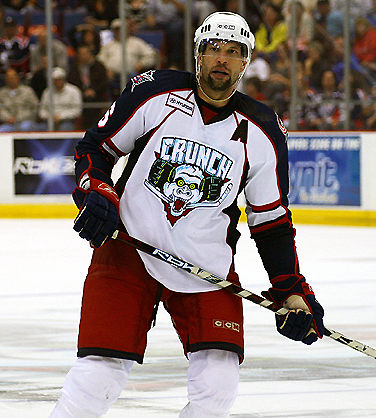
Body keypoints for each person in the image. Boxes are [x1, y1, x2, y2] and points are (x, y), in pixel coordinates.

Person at [48, 12, 325, 418]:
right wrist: (98, 194)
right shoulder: (154, 93)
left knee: (218, 383)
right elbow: (96, 150)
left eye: (234, 52)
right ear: (198, 53)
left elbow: (271, 222)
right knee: (98, 378)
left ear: (245, 62)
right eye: (213, 48)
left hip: (205, 264)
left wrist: (291, 291)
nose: (222, 59)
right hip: (129, 248)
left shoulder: (263, 130)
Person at [97, 17, 156, 99]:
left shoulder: (137, 42)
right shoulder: (108, 46)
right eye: (116, 30)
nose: (119, 32)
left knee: (137, 82)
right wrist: (106, 69)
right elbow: (100, 60)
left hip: (131, 74)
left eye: (121, 29)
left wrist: (141, 64)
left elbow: (151, 55)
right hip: (112, 75)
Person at [67, 44, 108, 129]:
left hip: (96, 95)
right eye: (81, 54)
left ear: (90, 54)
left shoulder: (99, 66)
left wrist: (93, 90)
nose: (83, 56)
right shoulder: (74, 67)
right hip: (79, 94)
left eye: (85, 53)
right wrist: (82, 91)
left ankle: (95, 128)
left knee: (92, 102)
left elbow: (104, 82)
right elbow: (72, 81)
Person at [39, 67, 82, 131]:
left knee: (65, 128)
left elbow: (77, 111)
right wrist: (48, 116)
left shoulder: (74, 91)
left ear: (63, 79)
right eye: (55, 80)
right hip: (48, 121)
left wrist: (61, 116)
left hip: (67, 121)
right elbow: (42, 110)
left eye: (59, 79)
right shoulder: (47, 92)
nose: (57, 82)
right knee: (39, 129)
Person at [0, 67, 38, 131]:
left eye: (12, 77)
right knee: (2, 130)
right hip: (8, 123)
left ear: (18, 78)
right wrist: (7, 118)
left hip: (26, 121)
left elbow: (35, 108)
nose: (10, 79)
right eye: (8, 77)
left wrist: (19, 118)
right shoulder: (1, 93)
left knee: (25, 127)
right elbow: (1, 109)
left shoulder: (28, 91)